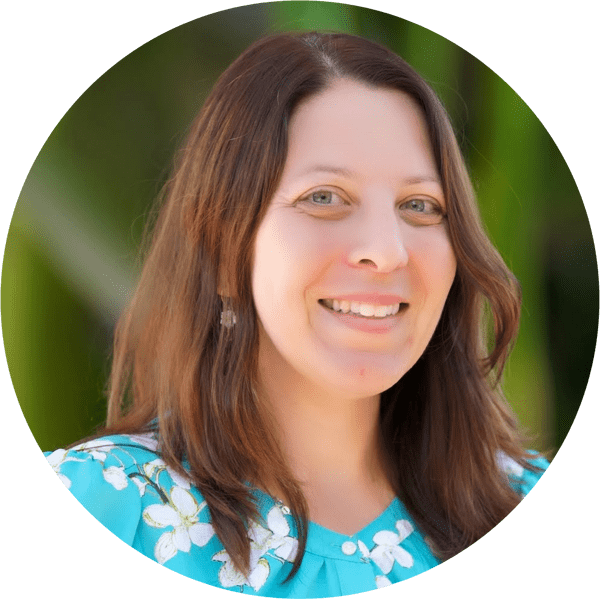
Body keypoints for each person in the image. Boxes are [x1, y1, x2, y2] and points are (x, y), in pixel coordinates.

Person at [44, 31, 549, 596]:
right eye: (324, 197)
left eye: (420, 206)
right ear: (226, 249)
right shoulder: (97, 508)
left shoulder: (532, 510)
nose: (386, 251)